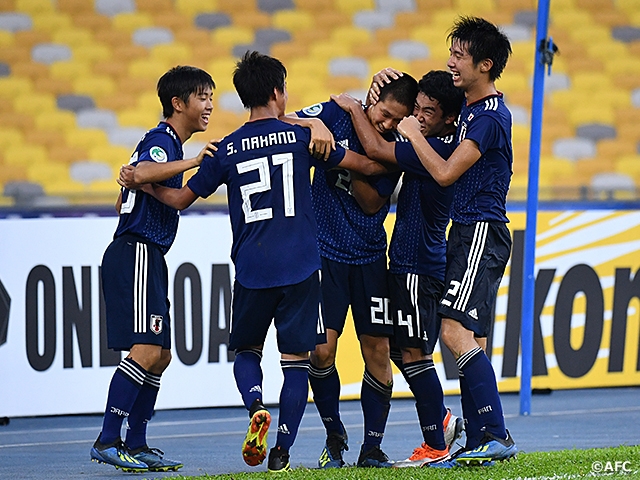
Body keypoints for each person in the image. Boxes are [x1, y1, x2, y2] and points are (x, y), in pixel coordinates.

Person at [135, 51, 391, 472]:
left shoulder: (225, 147)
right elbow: (366, 164)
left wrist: (145, 186)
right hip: (302, 266)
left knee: (247, 352)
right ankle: (283, 452)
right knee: (296, 364)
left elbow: (179, 199)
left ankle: (255, 404)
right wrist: (332, 136)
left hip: (253, 267)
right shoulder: (303, 137)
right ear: (277, 92)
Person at [396, 16, 518, 466]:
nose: (451, 62)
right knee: (474, 340)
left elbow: (446, 173)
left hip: (478, 230)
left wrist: (411, 133)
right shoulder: (471, 111)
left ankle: (496, 434)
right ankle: (482, 437)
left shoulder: (488, 116)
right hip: (472, 231)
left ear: (484, 65)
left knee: (452, 331)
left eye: (460, 55)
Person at [332, 69, 466, 467]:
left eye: (428, 112)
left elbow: (375, 149)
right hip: (408, 263)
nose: (417, 118)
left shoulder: (435, 149)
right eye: (418, 109)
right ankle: (440, 419)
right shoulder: (430, 143)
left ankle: (436, 443)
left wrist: (355, 106)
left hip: (417, 267)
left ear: (447, 119)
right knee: (395, 348)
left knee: (413, 354)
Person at [285, 74, 418, 469]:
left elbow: (373, 204)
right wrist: (314, 124)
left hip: (369, 257)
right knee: (321, 351)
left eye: (398, 120)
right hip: (322, 253)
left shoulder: (397, 146)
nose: (389, 125)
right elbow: (279, 124)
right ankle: (334, 434)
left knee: (377, 351)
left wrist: (339, 159)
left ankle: (372, 448)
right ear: (373, 99)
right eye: (386, 115)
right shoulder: (334, 115)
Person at [92, 65, 217, 473]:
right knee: (146, 349)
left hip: (146, 253)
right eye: (202, 97)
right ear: (177, 103)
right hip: (138, 251)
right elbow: (141, 173)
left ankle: (138, 441)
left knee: (160, 355)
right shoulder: (164, 141)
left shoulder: (162, 144)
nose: (209, 105)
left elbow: (126, 192)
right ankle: (108, 439)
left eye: (211, 97)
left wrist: (139, 185)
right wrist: (196, 161)